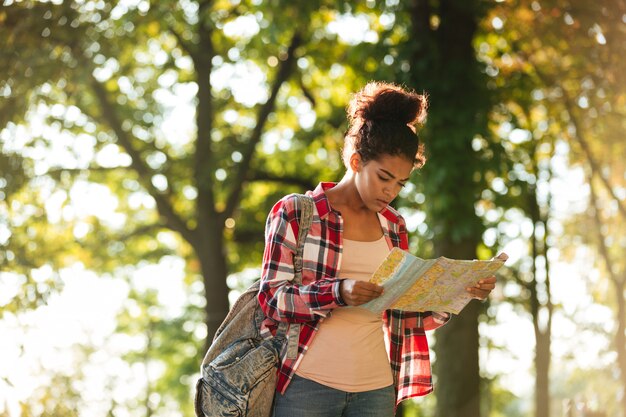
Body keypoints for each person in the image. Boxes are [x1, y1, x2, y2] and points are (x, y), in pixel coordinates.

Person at [257, 81, 498, 417]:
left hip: (375, 390)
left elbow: (401, 312)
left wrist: (458, 292)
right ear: (356, 161)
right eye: (384, 177)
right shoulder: (297, 212)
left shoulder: (394, 225)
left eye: (400, 183)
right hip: (306, 385)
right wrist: (339, 292)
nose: (390, 191)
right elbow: (272, 299)